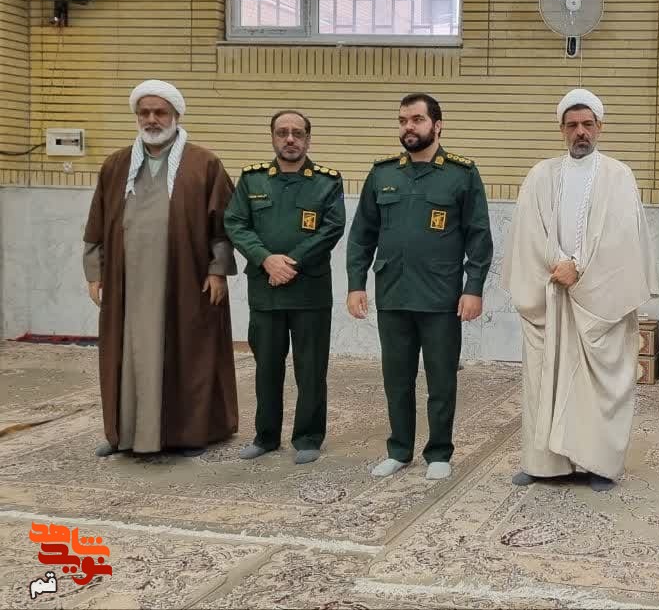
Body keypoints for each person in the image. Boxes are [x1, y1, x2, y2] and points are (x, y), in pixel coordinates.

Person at [502, 88, 659, 492]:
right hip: (551, 295)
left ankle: (599, 464)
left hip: (600, 301)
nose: (580, 132)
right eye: (572, 125)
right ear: (561, 130)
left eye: (587, 124)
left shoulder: (618, 176)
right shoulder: (540, 175)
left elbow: (623, 239)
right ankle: (544, 465)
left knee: (600, 383)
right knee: (544, 379)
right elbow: (528, 232)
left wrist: (581, 269)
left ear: (600, 127)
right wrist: (558, 264)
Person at [82, 79, 239, 458]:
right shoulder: (116, 165)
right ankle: (124, 433)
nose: (152, 119)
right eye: (145, 113)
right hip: (127, 285)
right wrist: (95, 272)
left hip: (186, 282)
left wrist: (217, 270)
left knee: (189, 354)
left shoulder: (204, 163)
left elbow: (224, 225)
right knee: (126, 355)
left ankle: (187, 435)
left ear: (175, 115)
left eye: (160, 112)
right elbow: (97, 224)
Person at [346, 92, 493, 480]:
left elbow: (479, 236)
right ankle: (399, 450)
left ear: (437, 125)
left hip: (441, 296)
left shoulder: (461, 174)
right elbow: (361, 235)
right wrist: (356, 284)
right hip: (393, 293)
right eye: (402, 121)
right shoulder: (383, 174)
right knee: (397, 378)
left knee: (441, 378)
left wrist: (474, 287)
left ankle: (439, 452)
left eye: (416, 120)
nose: (408, 127)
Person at [224, 110, 346, 465]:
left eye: (297, 133)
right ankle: (265, 437)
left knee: (311, 370)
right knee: (267, 368)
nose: (290, 139)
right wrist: (266, 259)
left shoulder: (327, 181)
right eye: (282, 132)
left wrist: (289, 263)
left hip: (310, 292)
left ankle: (308, 437)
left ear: (308, 138)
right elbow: (236, 223)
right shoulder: (252, 179)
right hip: (266, 292)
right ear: (273, 137)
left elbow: (332, 228)